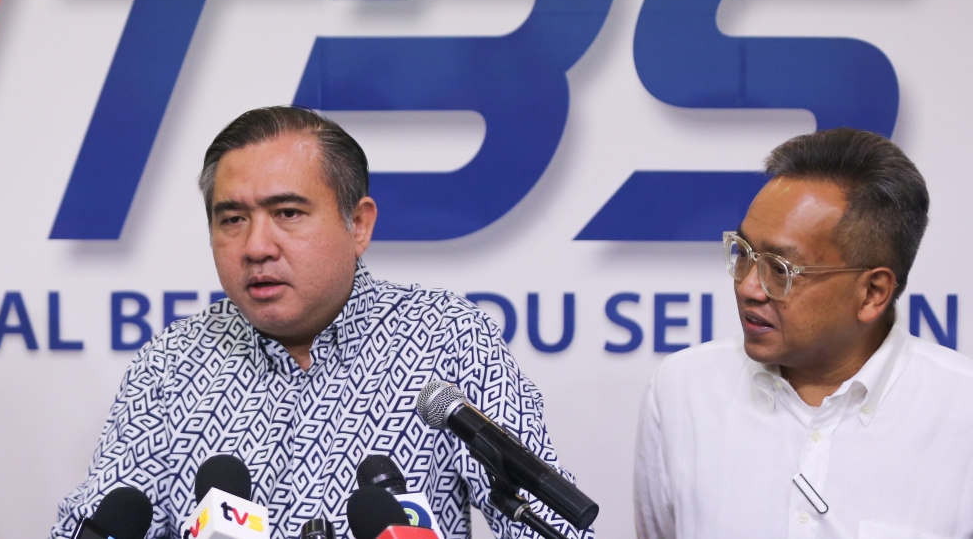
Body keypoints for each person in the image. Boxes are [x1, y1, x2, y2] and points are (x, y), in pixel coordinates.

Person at [50, 106, 593, 539]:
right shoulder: (171, 364)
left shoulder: (447, 339)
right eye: (232, 219)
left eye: (287, 213)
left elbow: (548, 529)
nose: (256, 247)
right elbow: (100, 522)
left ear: (358, 224)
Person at [634, 128, 973, 538]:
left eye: (780, 270)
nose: (748, 287)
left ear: (873, 293)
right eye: (744, 253)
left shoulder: (960, 413)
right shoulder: (683, 390)